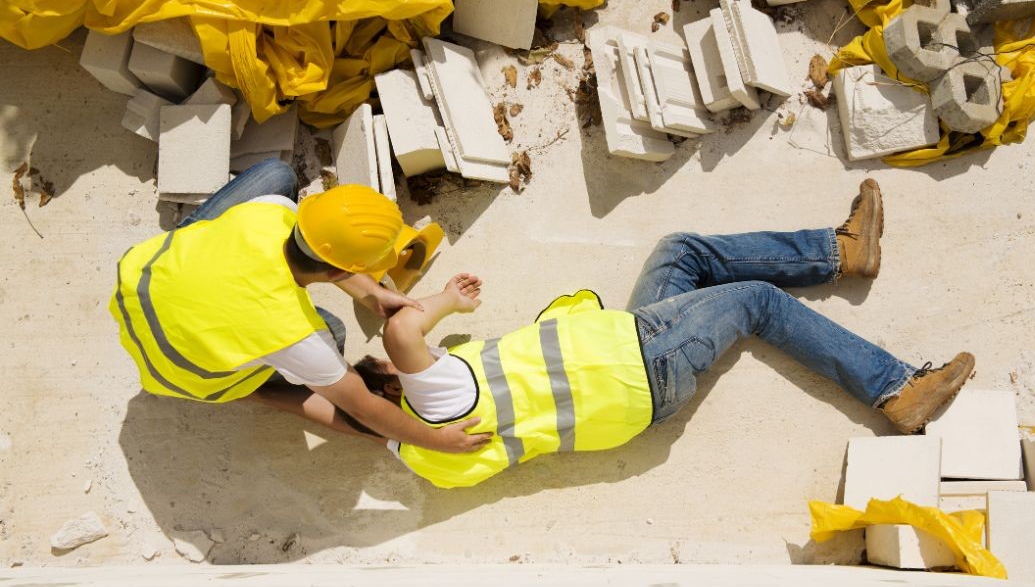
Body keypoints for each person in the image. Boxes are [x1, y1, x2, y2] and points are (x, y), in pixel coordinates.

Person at [359, 179, 975, 488]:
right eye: (397, 372)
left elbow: (340, 412)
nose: (424, 357)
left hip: (631, 365)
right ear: (394, 390)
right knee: (757, 301)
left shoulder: (422, 458)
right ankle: (896, 389)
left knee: (679, 252)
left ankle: (843, 251)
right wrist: (446, 300)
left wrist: (320, 397)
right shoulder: (435, 397)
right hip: (641, 361)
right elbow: (404, 333)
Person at [109, 157, 491, 454]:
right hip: (180, 372)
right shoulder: (299, 337)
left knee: (276, 174)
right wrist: (437, 440)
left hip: (139, 283)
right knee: (335, 335)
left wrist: (371, 292)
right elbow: (364, 410)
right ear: (341, 270)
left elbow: (324, 255)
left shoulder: (270, 211)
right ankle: (248, 388)